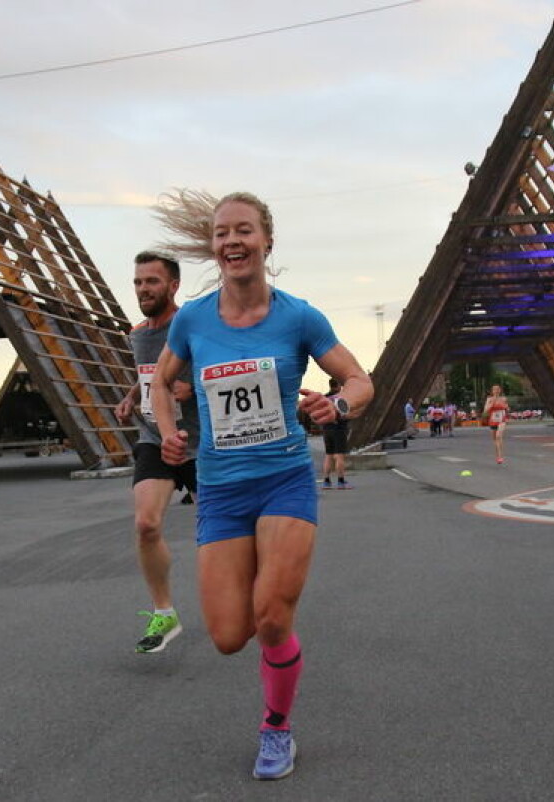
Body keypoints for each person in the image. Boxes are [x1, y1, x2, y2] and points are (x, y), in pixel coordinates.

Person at [150, 189, 373, 781]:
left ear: (266, 241)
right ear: (213, 246)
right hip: (221, 490)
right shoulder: (194, 319)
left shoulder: (298, 316)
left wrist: (337, 404)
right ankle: (270, 644)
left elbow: (358, 378)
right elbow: (159, 383)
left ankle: (277, 728)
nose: (232, 242)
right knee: (228, 636)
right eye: (222, 233)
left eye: (243, 231)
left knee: (272, 617)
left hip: (283, 482)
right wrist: (170, 432)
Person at [114, 251, 199, 654]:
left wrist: (193, 388)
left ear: (173, 285)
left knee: (225, 531)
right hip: (153, 438)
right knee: (146, 525)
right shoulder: (136, 334)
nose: (143, 289)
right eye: (138, 282)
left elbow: (225, 365)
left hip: (201, 442)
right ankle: (164, 611)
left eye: (151, 281)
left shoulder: (193, 326)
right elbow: (147, 374)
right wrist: (132, 397)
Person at [321, 377, 351, 488]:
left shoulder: (324, 399)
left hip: (326, 429)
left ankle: (326, 481)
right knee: (339, 456)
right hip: (338, 429)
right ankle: (341, 481)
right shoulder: (341, 398)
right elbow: (345, 414)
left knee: (328, 455)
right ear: (338, 385)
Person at [483, 384, 510, 464]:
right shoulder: (489, 399)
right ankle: (498, 456)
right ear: (492, 391)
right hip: (493, 420)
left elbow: (507, 408)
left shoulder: (503, 399)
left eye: (498, 389)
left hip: (502, 420)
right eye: (494, 389)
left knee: (499, 436)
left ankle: (501, 456)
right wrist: (492, 404)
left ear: (500, 390)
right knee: (495, 440)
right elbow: (485, 411)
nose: (496, 390)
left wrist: (506, 408)